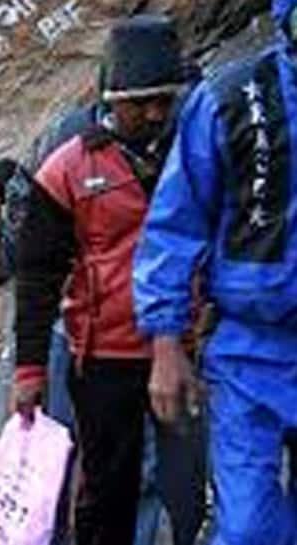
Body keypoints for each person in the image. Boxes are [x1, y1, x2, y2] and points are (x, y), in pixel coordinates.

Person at [13, 16, 192, 545]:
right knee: (107, 487)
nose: (156, 113)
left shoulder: (194, 151)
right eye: (142, 103)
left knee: (186, 486)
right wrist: (29, 369)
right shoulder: (67, 169)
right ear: (112, 97)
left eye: (165, 99)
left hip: (186, 347)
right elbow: (36, 275)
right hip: (104, 356)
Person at [134, 2, 297, 543]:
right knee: (249, 527)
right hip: (251, 350)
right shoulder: (231, 98)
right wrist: (165, 341)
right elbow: (174, 225)